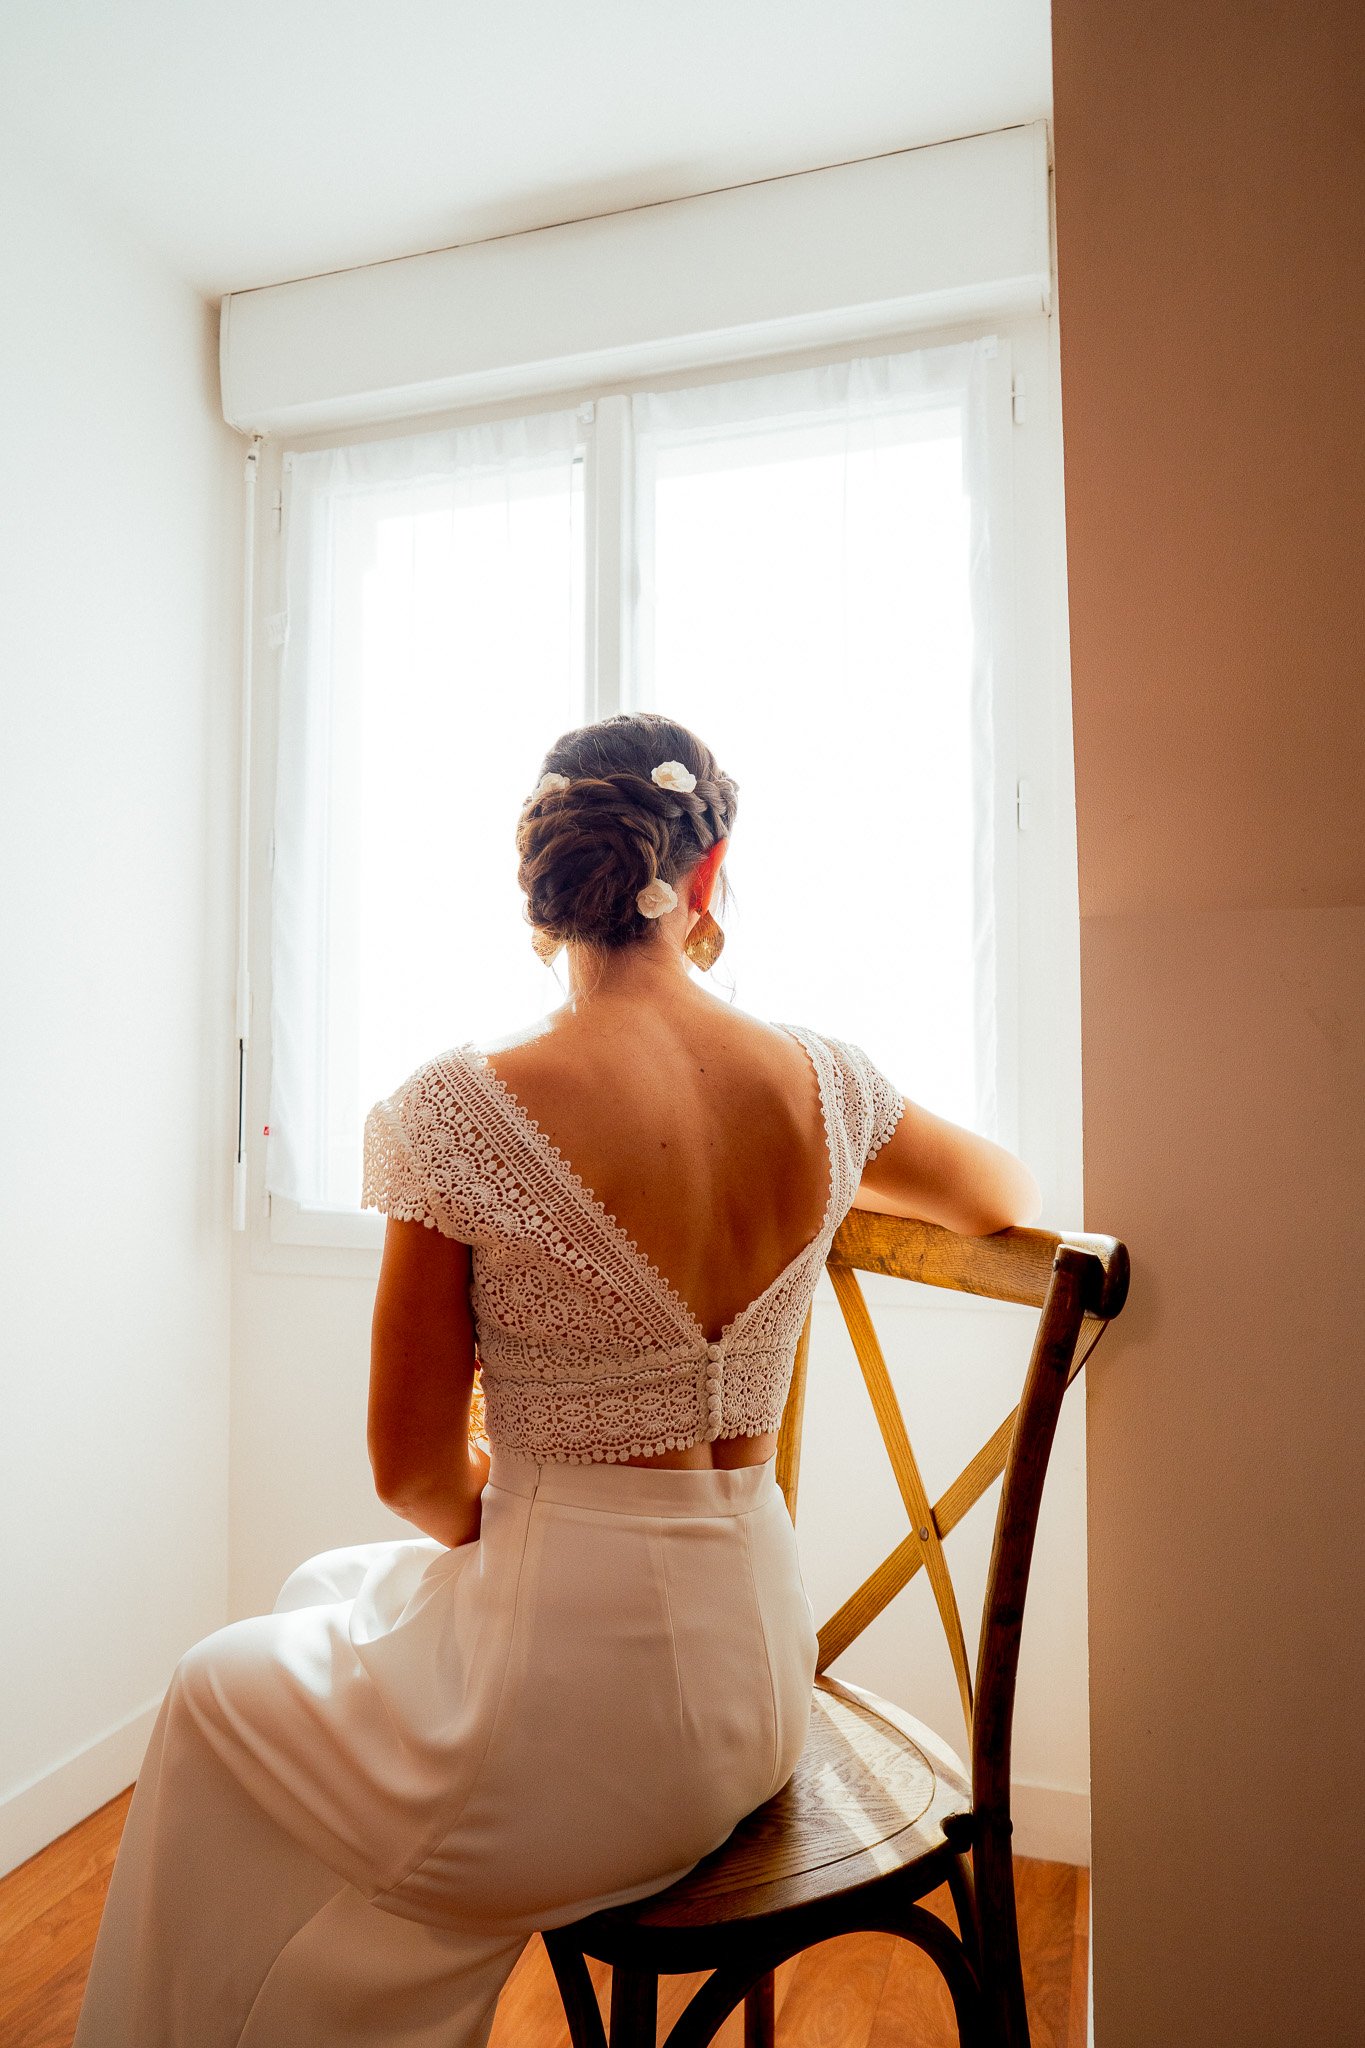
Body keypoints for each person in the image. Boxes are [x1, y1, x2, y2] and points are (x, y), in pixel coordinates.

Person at [73, 711, 1040, 2047]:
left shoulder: (451, 1112)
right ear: (702, 878)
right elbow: (1000, 1193)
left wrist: (540, 1524)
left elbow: (414, 1477)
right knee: (330, 1601)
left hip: (576, 1741)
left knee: (211, 1685)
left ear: (542, 888)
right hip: (757, 1688)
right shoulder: (827, 1076)